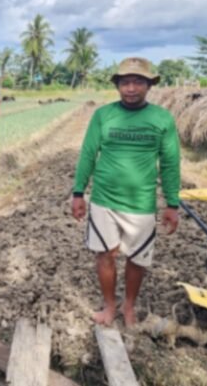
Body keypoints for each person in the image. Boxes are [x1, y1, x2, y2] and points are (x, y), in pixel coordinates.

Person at [71, 57, 180, 327]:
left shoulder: (161, 118)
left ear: (149, 85)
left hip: (141, 203)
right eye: (125, 82)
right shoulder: (103, 115)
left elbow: (170, 162)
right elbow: (88, 154)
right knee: (105, 255)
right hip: (103, 200)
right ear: (118, 85)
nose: (131, 88)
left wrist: (172, 203)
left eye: (138, 82)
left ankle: (128, 306)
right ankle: (109, 306)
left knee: (137, 258)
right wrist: (77, 193)